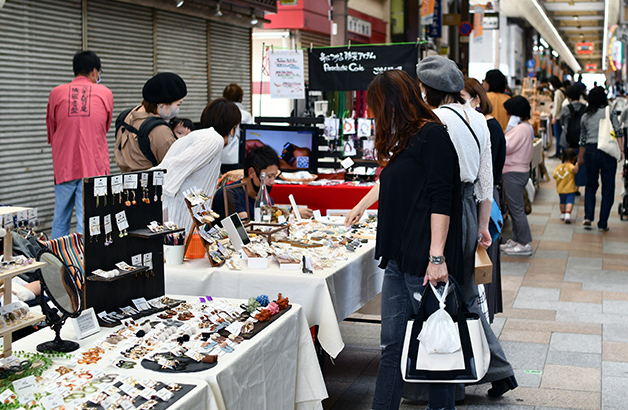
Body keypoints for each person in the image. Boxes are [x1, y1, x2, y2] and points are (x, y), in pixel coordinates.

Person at [417, 55, 517, 400]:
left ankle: (451, 383)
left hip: (443, 209)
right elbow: (486, 180)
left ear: (426, 90)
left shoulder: (431, 121)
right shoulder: (478, 120)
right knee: (466, 292)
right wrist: (483, 224)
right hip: (470, 209)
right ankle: (490, 373)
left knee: (449, 295)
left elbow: (432, 180)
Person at [368, 69, 462, 410]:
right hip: (397, 259)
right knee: (392, 345)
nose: (376, 116)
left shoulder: (432, 136)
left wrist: (437, 258)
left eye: (378, 107)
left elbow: (442, 197)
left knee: (435, 345)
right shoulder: (409, 137)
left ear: (394, 103)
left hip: (422, 259)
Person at [46, 51, 113, 238]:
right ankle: (85, 263)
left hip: (64, 164)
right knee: (88, 219)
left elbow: (51, 128)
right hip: (93, 164)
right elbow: (104, 127)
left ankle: (58, 262)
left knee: (60, 218)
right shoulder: (105, 93)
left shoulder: (56, 93)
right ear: (94, 71)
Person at [157, 98, 241, 234]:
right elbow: (173, 168)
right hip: (180, 218)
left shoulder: (203, 137)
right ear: (231, 126)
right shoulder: (213, 140)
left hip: (184, 217)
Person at [461, 76, 506, 323]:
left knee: (481, 259)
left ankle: (482, 317)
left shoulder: (486, 126)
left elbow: (489, 173)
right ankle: (482, 316)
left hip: (484, 199)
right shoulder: (485, 124)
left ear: (477, 99)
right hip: (483, 196)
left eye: (462, 99)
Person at [212, 145, 314, 222]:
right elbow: (245, 226)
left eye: (274, 176)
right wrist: (291, 215)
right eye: (269, 177)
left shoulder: (265, 198)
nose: (272, 182)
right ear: (252, 172)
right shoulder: (229, 193)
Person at [114, 72, 187, 172]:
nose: (178, 109)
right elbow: (176, 168)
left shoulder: (126, 116)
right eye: (178, 104)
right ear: (162, 104)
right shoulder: (160, 131)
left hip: (125, 182)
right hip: (152, 185)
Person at [578, 87, 624, 231]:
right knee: (608, 187)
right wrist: (621, 150)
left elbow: (583, 140)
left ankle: (588, 217)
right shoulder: (609, 111)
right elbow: (618, 131)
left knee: (591, 185)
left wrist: (580, 158)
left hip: (590, 152)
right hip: (607, 152)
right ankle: (603, 223)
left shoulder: (585, 116)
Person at [500, 96, 534, 256]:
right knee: (515, 209)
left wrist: (507, 130)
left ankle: (524, 243)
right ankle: (516, 239)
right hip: (519, 171)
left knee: (516, 209)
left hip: (514, 172)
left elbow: (505, 146)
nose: (507, 115)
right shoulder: (526, 127)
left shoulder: (520, 128)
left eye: (509, 113)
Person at [221, 83, 254, 174]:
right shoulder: (245, 115)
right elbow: (249, 136)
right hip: (237, 157)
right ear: (240, 98)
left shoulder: (219, 114)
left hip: (220, 156)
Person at [553, 148, 580, 224]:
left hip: (560, 189)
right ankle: (568, 214)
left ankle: (563, 214)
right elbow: (575, 171)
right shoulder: (571, 166)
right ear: (573, 159)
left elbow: (554, 175)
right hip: (570, 189)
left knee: (562, 202)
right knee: (570, 202)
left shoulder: (559, 167)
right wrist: (577, 164)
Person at [549, 76, 567, 158]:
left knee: (558, 136)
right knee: (561, 135)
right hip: (562, 116)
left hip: (558, 117)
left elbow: (557, 106)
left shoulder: (557, 92)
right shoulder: (563, 90)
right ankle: (561, 152)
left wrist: (554, 117)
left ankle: (558, 152)